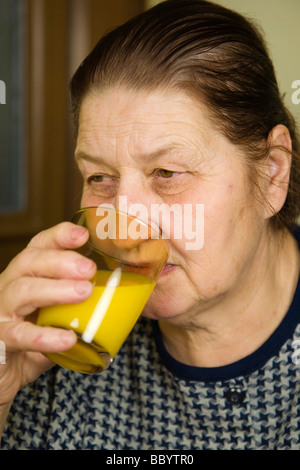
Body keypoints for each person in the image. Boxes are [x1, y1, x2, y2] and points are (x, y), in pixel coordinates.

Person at [1, 0, 300, 450]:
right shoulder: (52, 347)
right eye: (99, 177)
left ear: (272, 173)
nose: (125, 225)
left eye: (167, 173)